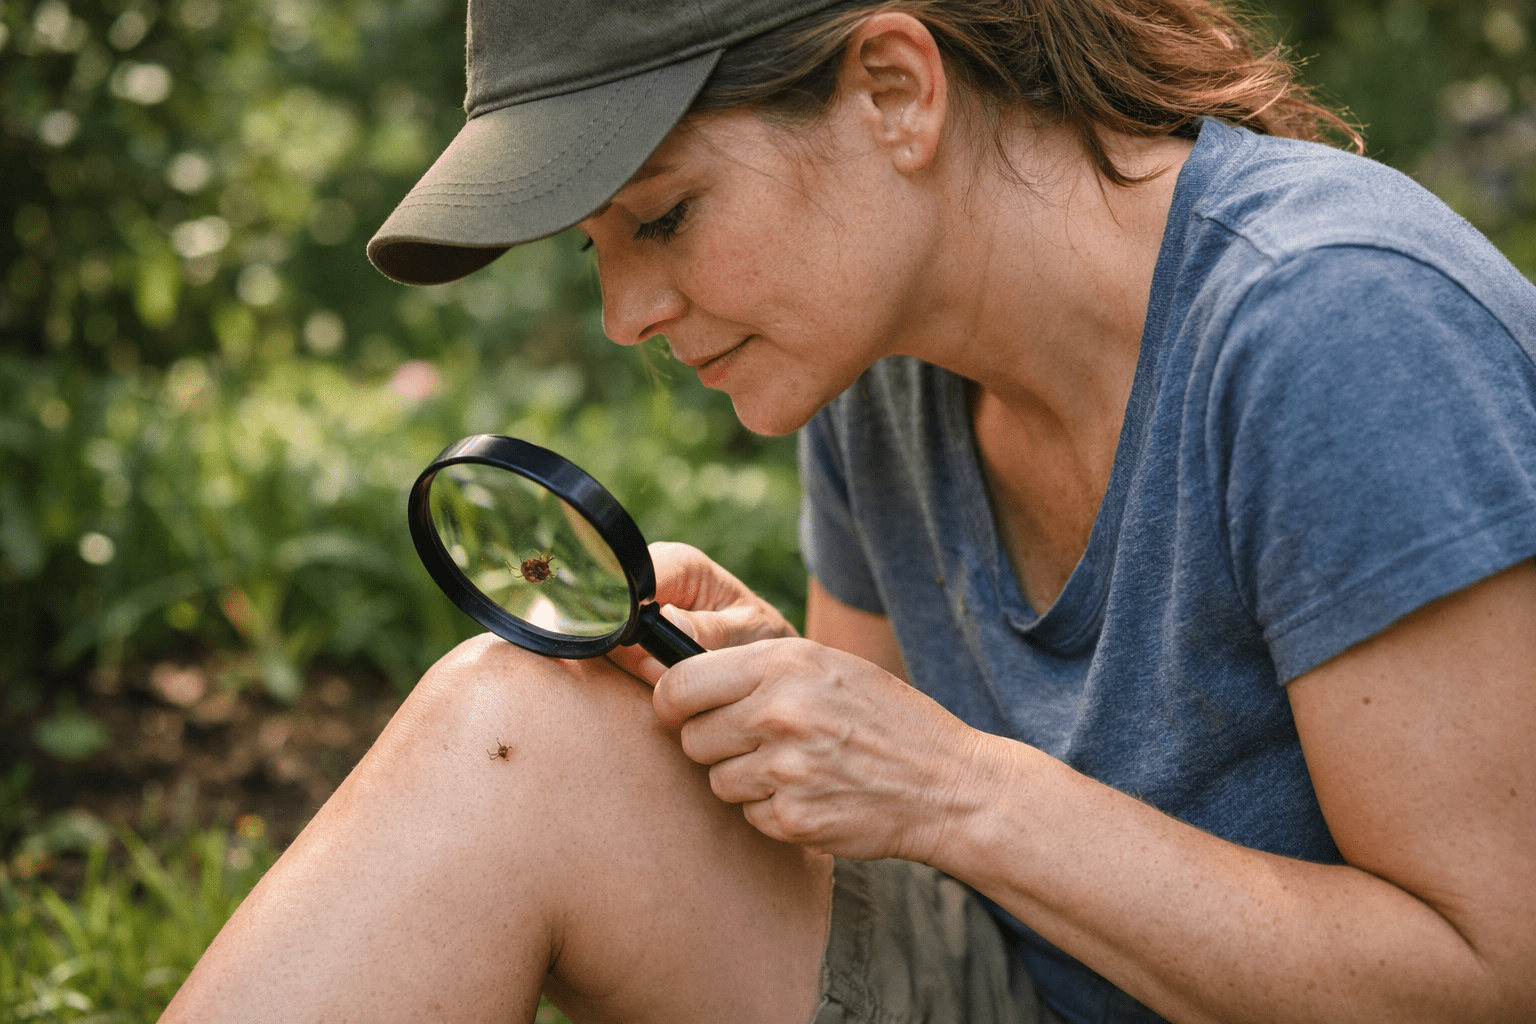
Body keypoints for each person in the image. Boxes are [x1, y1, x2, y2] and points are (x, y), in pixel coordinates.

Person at [163, 1, 1536, 1022]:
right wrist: (785, 704)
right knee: (515, 724)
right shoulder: (877, 368)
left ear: (895, 88)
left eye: (670, 216)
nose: (627, 312)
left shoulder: (1338, 324)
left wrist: (950, 783)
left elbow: (1494, 978)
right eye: (600, 248)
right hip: (1028, 982)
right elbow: (879, 849)